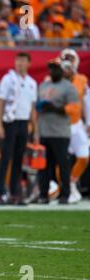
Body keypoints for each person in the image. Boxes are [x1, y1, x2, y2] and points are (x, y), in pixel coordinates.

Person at [0, 52, 38, 205]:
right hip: (10, 122)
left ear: (29, 63)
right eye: (18, 61)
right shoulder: (8, 79)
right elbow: (1, 102)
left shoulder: (32, 83)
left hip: (24, 123)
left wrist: (35, 129)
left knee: (19, 160)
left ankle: (15, 193)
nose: (19, 64)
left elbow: (32, 108)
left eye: (23, 61)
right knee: (5, 158)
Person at [35, 58, 79, 204]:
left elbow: (74, 109)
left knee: (63, 164)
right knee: (43, 166)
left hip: (60, 132)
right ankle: (43, 194)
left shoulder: (68, 87)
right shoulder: (43, 85)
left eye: (56, 68)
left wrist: (55, 108)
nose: (53, 71)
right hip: (44, 131)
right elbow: (35, 107)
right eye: (51, 68)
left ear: (62, 70)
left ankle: (65, 195)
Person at [59, 49, 89, 203]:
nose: (68, 61)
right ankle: (64, 188)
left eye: (71, 58)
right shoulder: (56, 79)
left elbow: (86, 102)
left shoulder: (82, 79)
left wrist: (89, 122)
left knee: (84, 156)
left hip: (76, 124)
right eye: (66, 58)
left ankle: (71, 182)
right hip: (60, 126)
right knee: (61, 160)